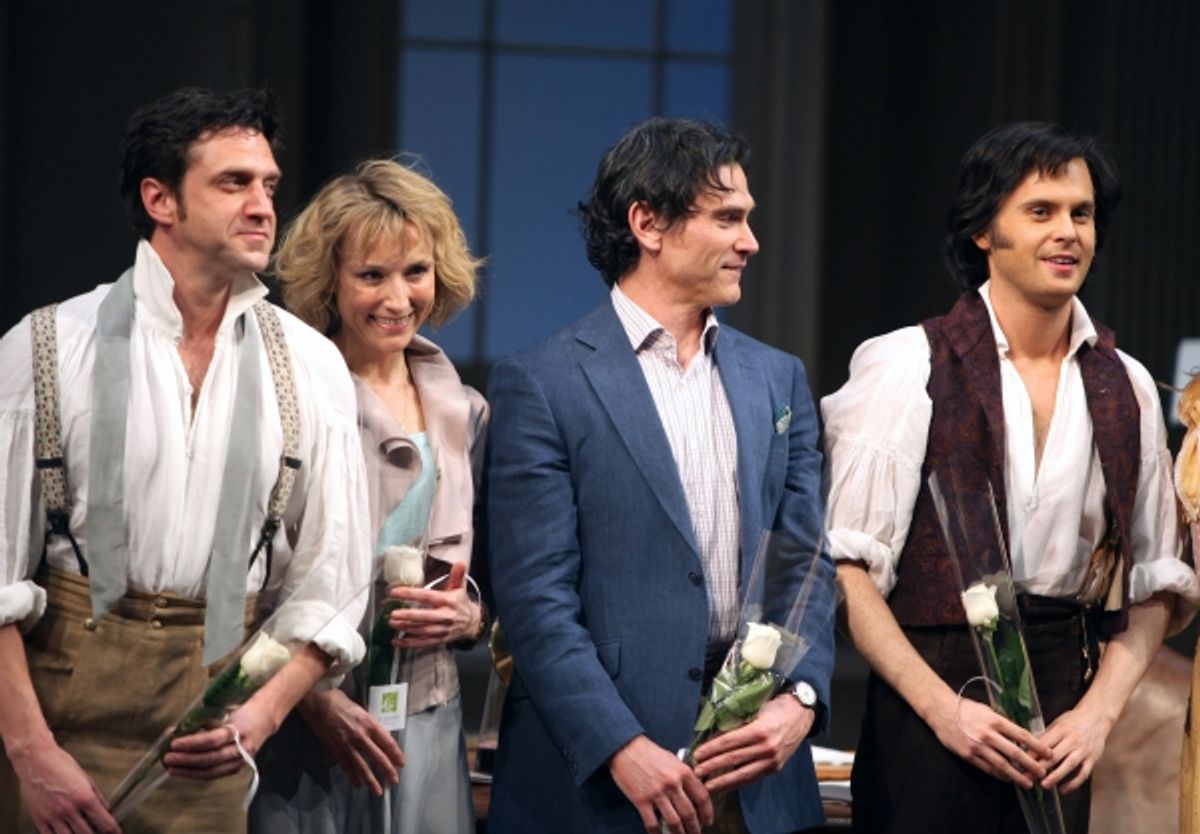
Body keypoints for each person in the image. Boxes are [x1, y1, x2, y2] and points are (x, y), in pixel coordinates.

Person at [0, 86, 373, 834]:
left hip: (211, 734)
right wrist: (31, 754)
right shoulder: (47, 345)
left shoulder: (308, 365)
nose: (264, 205)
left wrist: (259, 718)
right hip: (53, 725)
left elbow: (330, 583)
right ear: (159, 199)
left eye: (268, 184)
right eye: (233, 183)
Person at [823, 121, 1198, 833]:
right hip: (930, 703)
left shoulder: (1128, 387)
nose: (1068, 233)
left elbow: (1160, 583)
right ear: (982, 233)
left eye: (1081, 214)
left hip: (1062, 707)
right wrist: (944, 709)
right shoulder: (907, 365)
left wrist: (1096, 716)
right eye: (1041, 211)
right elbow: (847, 570)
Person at [485, 117, 834, 834]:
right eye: (729, 218)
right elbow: (536, 602)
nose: (751, 242)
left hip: (757, 776)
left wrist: (798, 701)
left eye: (750, 220)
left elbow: (805, 565)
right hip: (602, 782)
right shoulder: (542, 381)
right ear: (648, 222)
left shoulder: (778, 378)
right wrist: (620, 745)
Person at [250, 158, 487, 834]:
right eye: (371, 275)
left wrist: (467, 616)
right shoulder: (288, 399)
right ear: (331, 281)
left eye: (414, 271)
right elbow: (253, 574)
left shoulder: (468, 411)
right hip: (311, 720)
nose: (397, 297)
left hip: (429, 718)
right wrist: (313, 698)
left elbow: (489, 576)